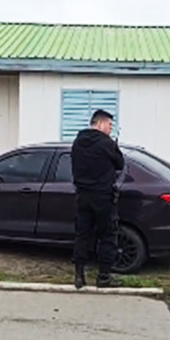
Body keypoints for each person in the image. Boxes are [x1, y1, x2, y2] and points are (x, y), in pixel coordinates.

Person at [71, 109, 125, 289]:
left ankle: (79, 275)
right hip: (103, 197)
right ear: (101, 124)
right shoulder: (106, 143)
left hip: (82, 195)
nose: (111, 129)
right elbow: (120, 164)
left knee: (82, 235)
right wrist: (114, 146)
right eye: (110, 125)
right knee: (107, 236)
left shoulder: (78, 142)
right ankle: (104, 277)